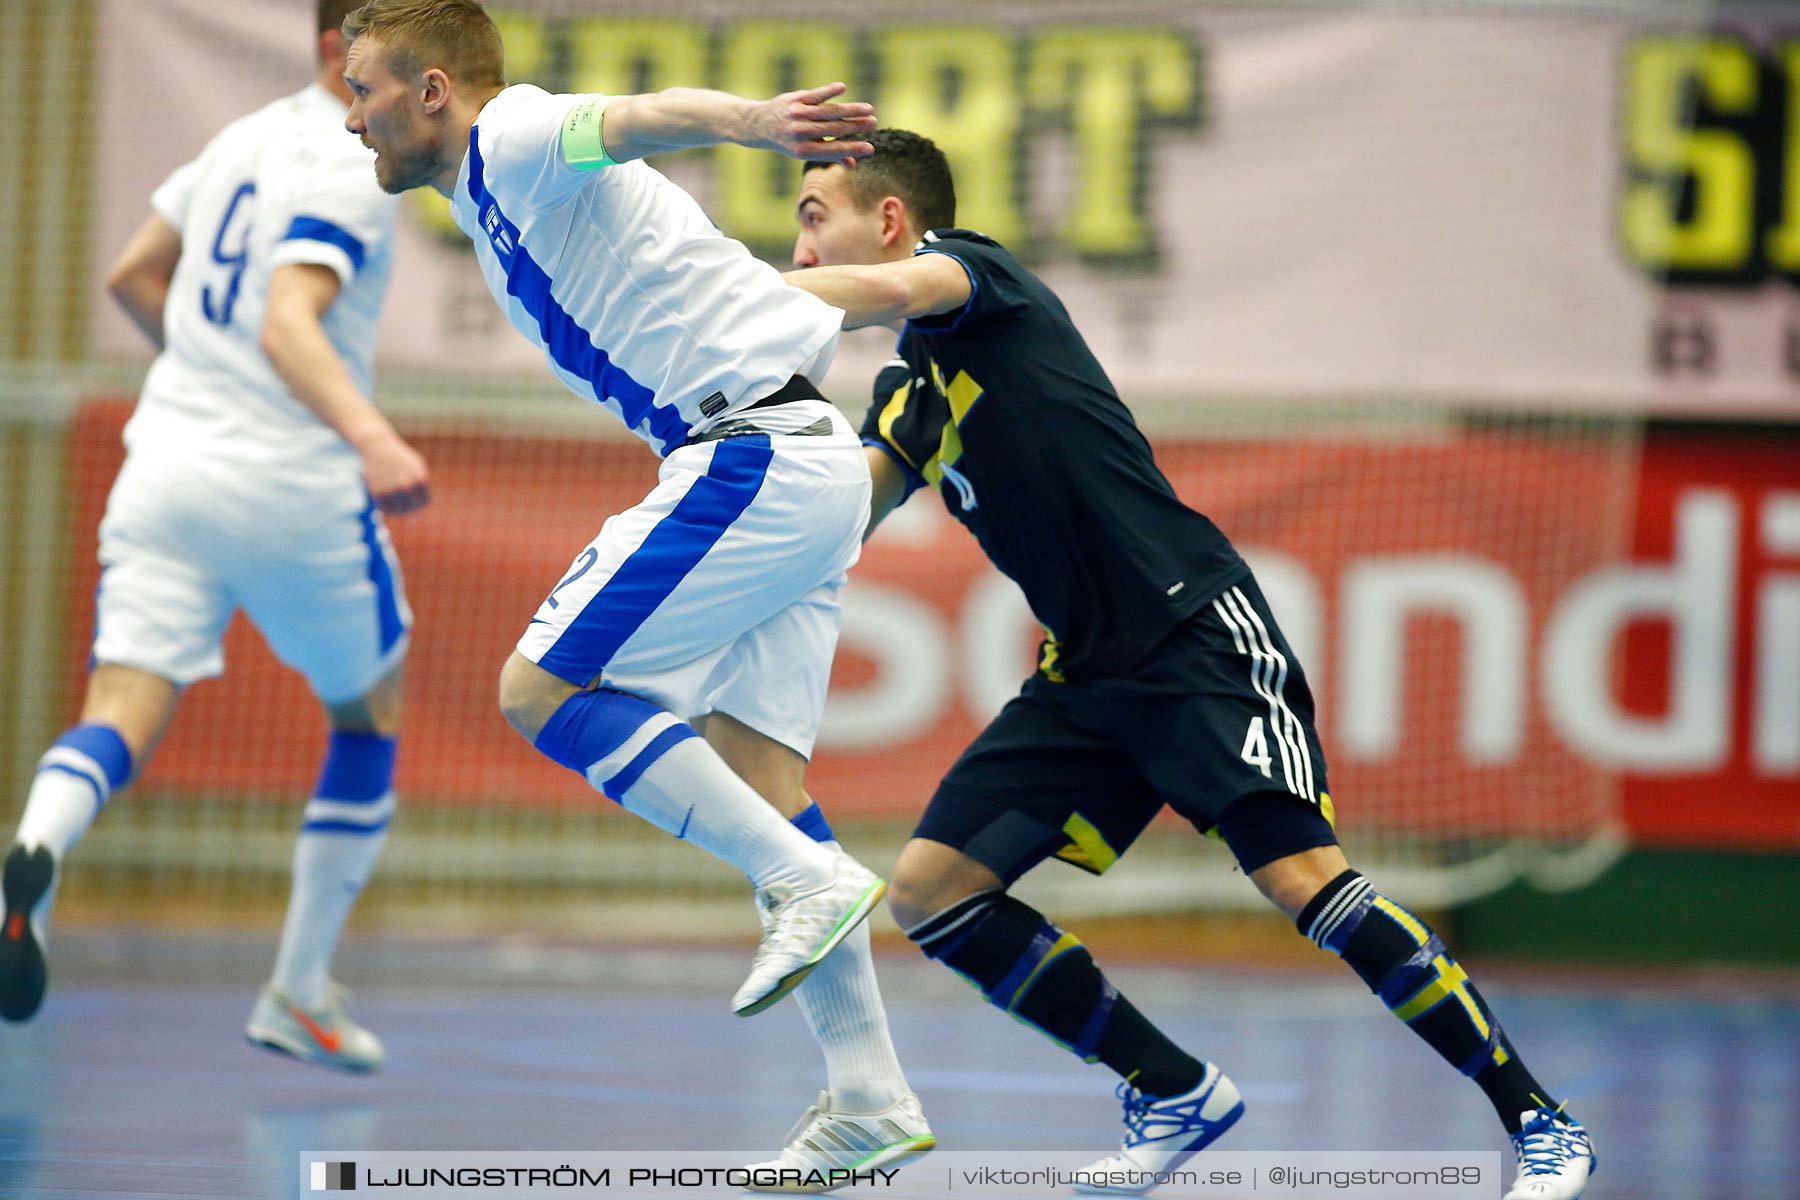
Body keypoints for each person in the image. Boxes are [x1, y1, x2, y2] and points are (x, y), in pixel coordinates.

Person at [783, 129, 1597, 1200]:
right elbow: (848, 513)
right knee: (933, 891)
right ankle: (1172, 1090)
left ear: (884, 221)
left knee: (1302, 879)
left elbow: (901, 284)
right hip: (1087, 676)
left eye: (810, 219)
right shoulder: (908, 386)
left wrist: (726, 297)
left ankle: (1541, 1121)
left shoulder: (979, 279)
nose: (797, 249)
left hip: (1193, 637)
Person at [336, 1, 931, 1181]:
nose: (350, 116)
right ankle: (867, 1093)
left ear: (435, 91)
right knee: (764, 779)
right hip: (796, 460)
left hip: (749, 453)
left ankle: (801, 879)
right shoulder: (489, 207)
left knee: (541, 691)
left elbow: (635, 119)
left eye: (362, 89)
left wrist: (753, 121)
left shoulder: (512, 136)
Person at [0, 1, 429, 1073]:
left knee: (121, 704)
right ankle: (299, 989)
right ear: (341, 51)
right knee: (369, 711)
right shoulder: (353, 162)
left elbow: (129, 276)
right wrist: (374, 437)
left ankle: (34, 847)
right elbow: (290, 323)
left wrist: (200, 369)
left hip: (166, 465)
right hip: (290, 477)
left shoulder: (239, 136)